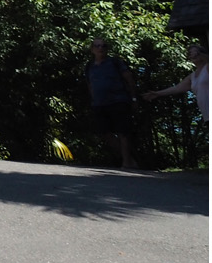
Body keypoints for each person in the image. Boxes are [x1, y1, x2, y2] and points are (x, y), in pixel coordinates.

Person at [86, 38, 139, 169]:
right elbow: (90, 85)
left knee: (123, 132)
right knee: (105, 133)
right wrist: (93, 100)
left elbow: (129, 79)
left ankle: (126, 163)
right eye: (97, 46)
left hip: (118, 100)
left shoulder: (115, 62)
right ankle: (129, 158)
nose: (100, 48)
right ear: (92, 49)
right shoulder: (89, 66)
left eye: (103, 46)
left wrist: (133, 98)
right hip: (99, 103)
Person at [142, 43, 208, 119]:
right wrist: (157, 93)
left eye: (195, 52)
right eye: (191, 53)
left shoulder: (208, 68)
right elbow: (177, 88)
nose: (193, 55)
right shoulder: (192, 76)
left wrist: (200, 54)